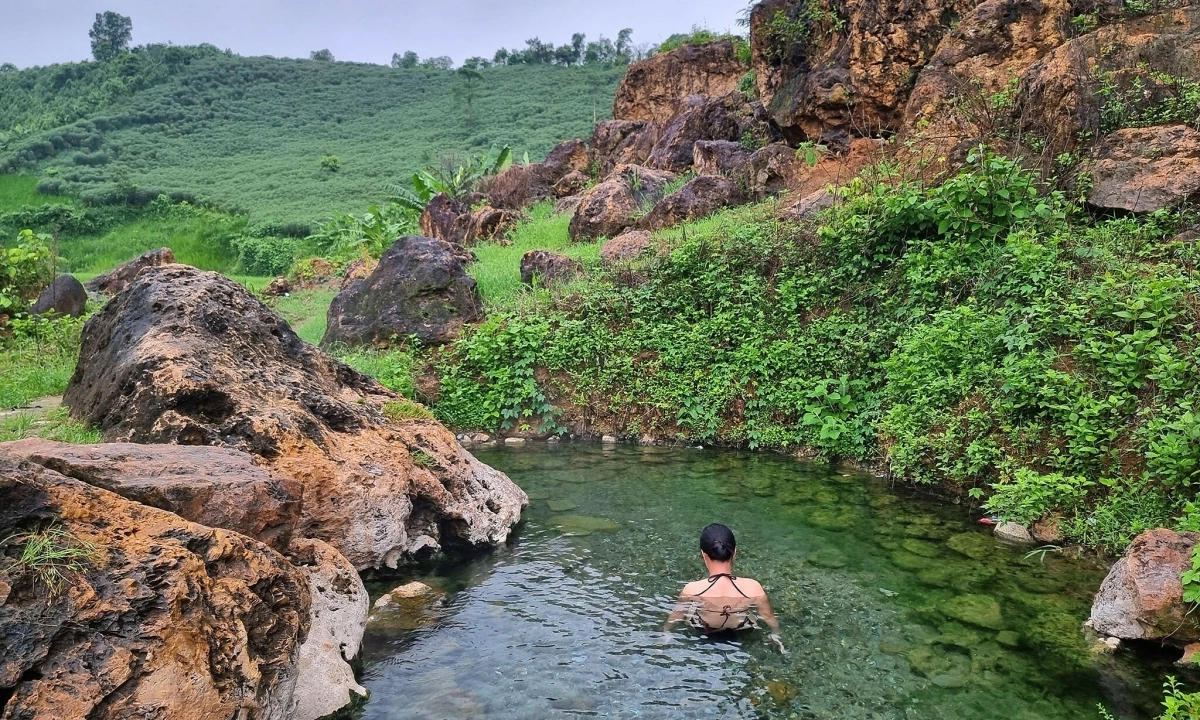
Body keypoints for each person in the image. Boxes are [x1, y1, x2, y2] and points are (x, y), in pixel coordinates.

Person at [663, 523, 785, 653]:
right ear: (735, 552)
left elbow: (677, 615)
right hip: (741, 630)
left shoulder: (692, 589)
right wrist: (775, 633)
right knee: (750, 614)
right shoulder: (753, 587)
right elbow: (767, 616)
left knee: (690, 610)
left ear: (704, 555)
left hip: (705, 630)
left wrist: (666, 632)